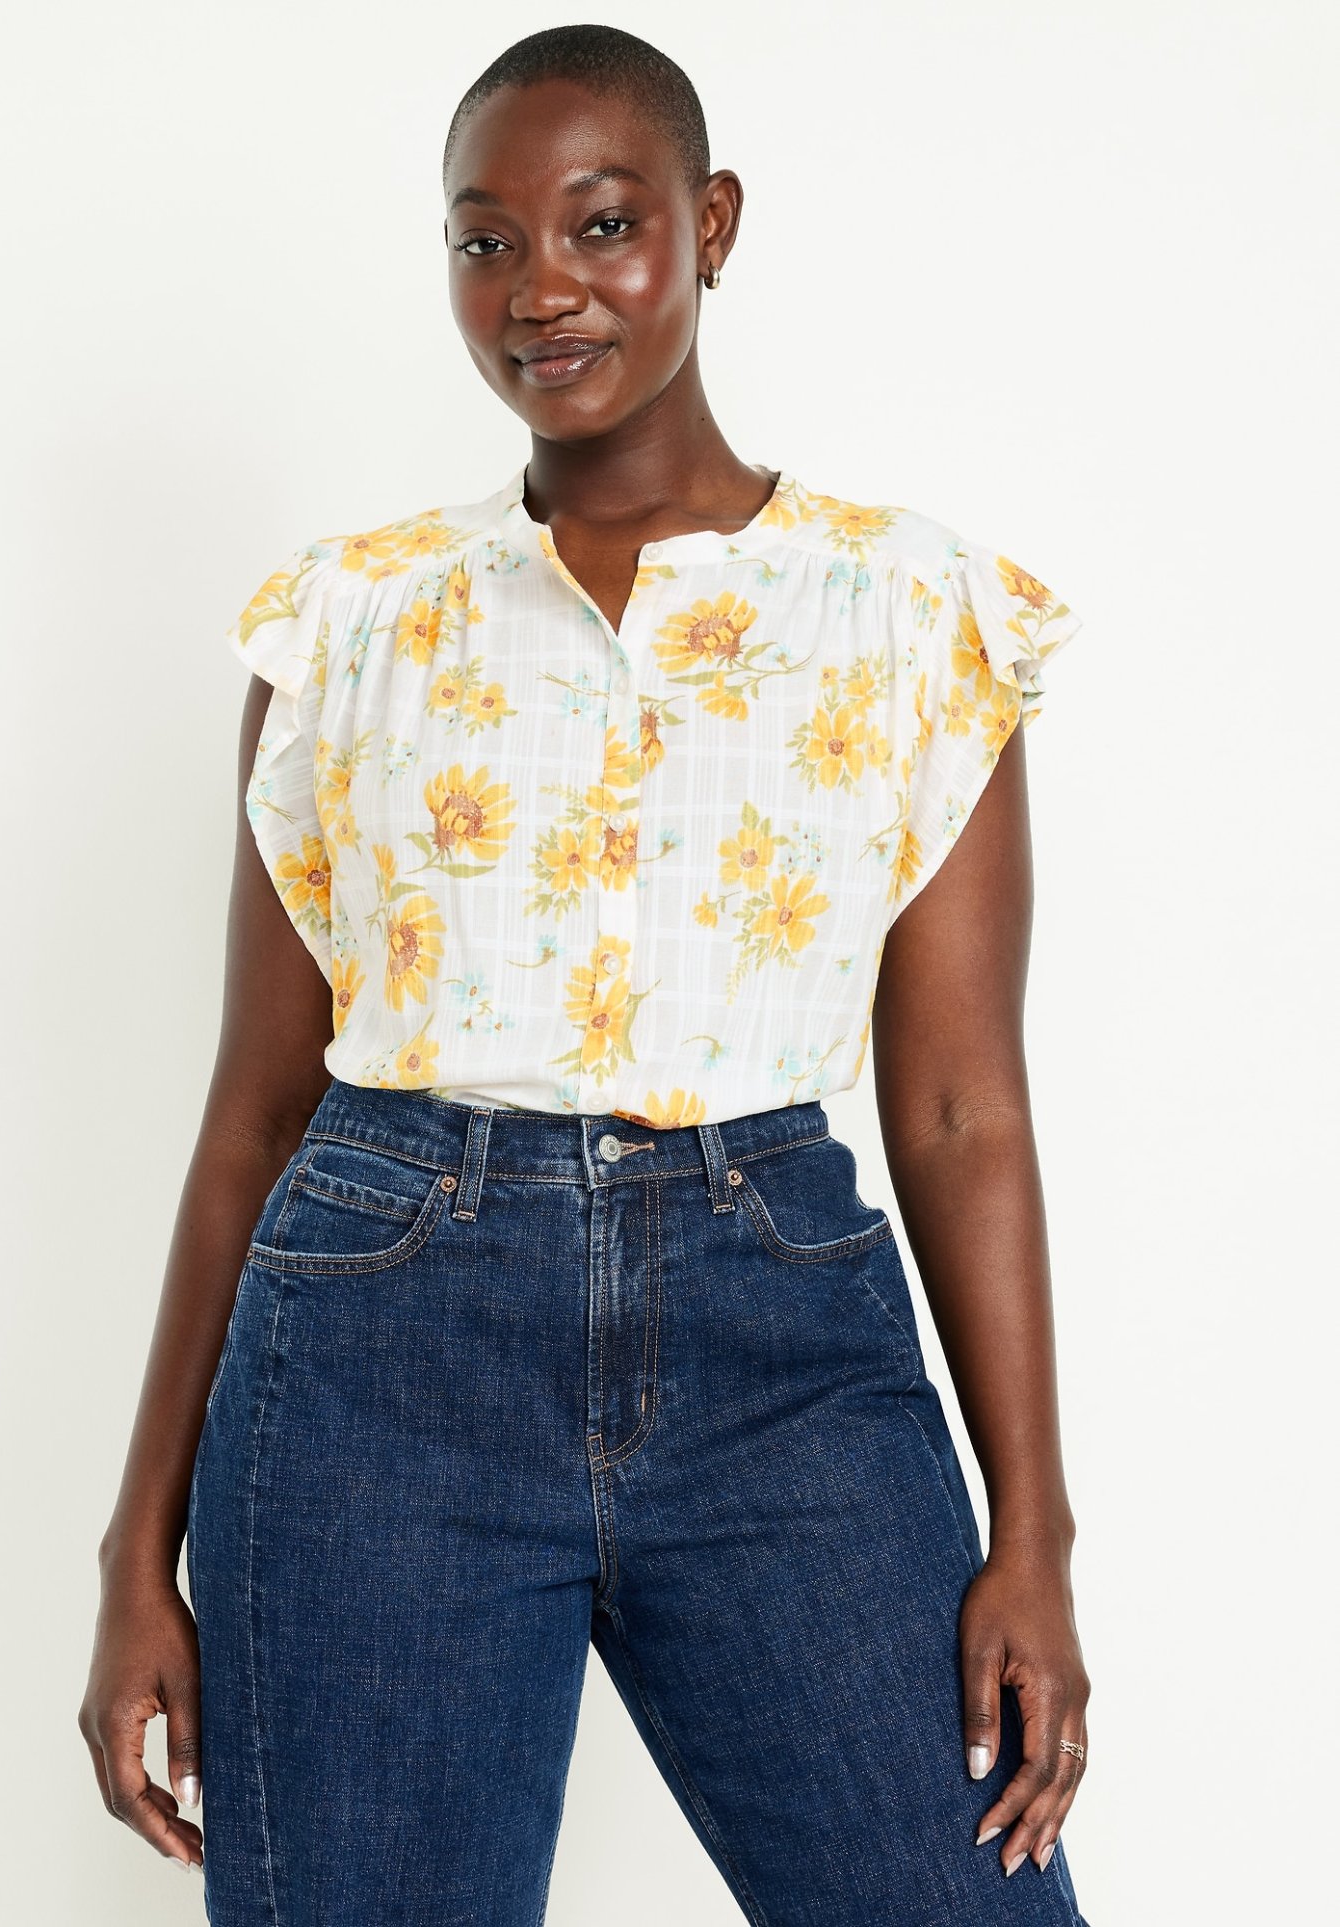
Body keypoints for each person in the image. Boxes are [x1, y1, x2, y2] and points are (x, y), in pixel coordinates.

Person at [79, 24, 1093, 1925]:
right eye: (486, 242)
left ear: (711, 224)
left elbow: (962, 1106)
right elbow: (256, 1109)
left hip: (782, 1346)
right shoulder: (350, 620)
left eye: (601, 223)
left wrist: (1029, 1530)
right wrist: (137, 1547)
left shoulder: (912, 612)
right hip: (376, 1349)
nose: (539, 286)